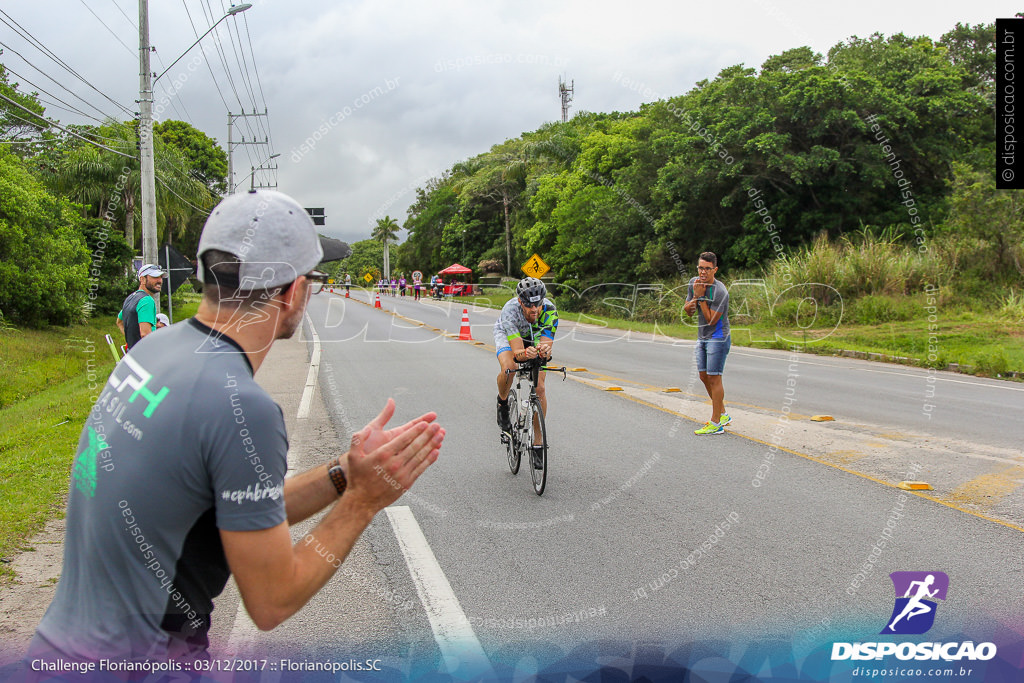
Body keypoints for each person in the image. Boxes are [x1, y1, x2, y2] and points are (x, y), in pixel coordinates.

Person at [25, 190, 444, 668]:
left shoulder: (153, 352)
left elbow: (233, 509)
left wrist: (346, 472)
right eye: (313, 279)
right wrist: (364, 500)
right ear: (291, 292)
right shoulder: (243, 408)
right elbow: (272, 600)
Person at [493, 277, 558, 468]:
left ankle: (538, 444)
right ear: (520, 301)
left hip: (534, 336)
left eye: (538, 304)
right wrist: (524, 354)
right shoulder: (510, 311)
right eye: (529, 305)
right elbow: (517, 354)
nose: (534, 310)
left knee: (540, 388)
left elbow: (545, 345)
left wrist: (543, 352)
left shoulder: (550, 310)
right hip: (510, 336)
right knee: (509, 367)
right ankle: (503, 402)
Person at [683, 251, 731, 435]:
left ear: (715, 270)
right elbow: (688, 311)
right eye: (700, 268)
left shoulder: (720, 291)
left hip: (718, 337)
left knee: (714, 377)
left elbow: (711, 320)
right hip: (702, 336)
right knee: (703, 376)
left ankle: (716, 423)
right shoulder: (694, 283)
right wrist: (695, 297)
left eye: (707, 269)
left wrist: (701, 297)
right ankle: (723, 414)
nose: (703, 272)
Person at [116, 263, 164, 350]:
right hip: (144, 355)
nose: (160, 280)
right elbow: (145, 335)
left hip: (132, 352)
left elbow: (119, 322)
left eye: (161, 277)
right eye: (155, 277)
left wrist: (131, 340)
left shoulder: (131, 298)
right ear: (142, 279)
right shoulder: (147, 300)